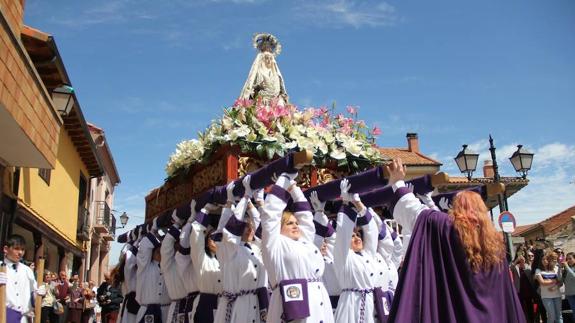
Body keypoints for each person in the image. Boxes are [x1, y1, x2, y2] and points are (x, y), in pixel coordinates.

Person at [385, 157, 525, 322]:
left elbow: (416, 213)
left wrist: (397, 182)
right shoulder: (496, 247)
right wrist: (429, 200)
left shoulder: (449, 229)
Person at [261, 172, 334, 323]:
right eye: (289, 223)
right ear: (279, 228)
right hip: (292, 305)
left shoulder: (305, 240)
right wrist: (283, 181)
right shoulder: (275, 244)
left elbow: (306, 217)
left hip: (319, 305)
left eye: (296, 223)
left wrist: (294, 188)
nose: (295, 225)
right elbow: (270, 215)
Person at [333, 179, 391, 322]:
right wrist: (346, 203)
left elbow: (371, 231)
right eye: (352, 237)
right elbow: (342, 232)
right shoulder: (343, 257)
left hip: (373, 305)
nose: (357, 238)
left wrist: (358, 204)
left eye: (358, 235)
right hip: (351, 307)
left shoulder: (368, 254)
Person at [214, 177, 269, 323]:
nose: (250, 229)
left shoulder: (257, 248)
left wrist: (257, 204)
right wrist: (240, 199)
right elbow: (226, 228)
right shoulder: (228, 249)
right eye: (246, 226)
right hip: (238, 308)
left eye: (251, 226)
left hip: (259, 305)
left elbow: (266, 230)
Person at [189, 200, 224, 323]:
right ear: (206, 242)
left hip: (225, 306)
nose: (216, 241)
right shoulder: (202, 259)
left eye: (219, 238)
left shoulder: (228, 260)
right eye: (212, 238)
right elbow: (196, 238)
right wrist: (205, 211)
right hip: (206, 306)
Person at [0, 234, 46, 323]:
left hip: (23, 319)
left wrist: (40, 294)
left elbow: (33, 297)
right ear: (6, 249)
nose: (20, 252)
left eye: (22, 249)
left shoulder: (27, 270)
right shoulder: (0, 267)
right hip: (3, 316)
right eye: (16, 248)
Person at [239, 33, 288, 105]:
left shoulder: (276, 75)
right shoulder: (259, 72)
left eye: (271, 58)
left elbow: (281, 89)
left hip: (276, 103)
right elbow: (252, 84)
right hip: (262, 102)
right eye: (266, 58)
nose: (269, 60)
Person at [135, 223, 170, 323]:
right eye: (157, 252)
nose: (160, 255)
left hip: (166, 312)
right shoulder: (145, 268)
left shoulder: (168, 267)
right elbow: (143, 251)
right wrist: (153, 231)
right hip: (147, 312)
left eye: (161, 252)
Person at [535, 251, 563, 323]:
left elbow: (561, 282)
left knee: (559, 316)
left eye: (546, 259)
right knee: (551, 315)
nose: (544, 261)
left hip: (557, 295)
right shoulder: (538, 270)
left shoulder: (556, 268)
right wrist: (554, 281)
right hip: (546, 297)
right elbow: (542, 282)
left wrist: (555, 287)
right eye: (543, 259)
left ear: (549, 260)